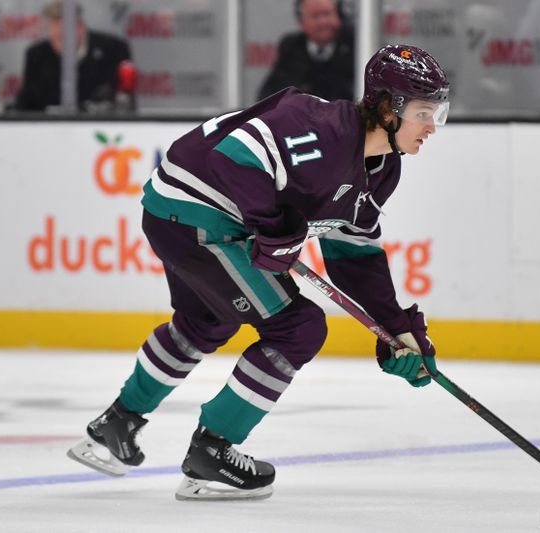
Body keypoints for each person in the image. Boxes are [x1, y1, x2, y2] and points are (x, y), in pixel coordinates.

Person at [67, 44, 450, 501]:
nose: (432, 127)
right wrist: (271, 229)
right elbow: (236, 155)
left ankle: (116, 424)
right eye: (425, 113)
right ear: (388, 107)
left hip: (180, 214)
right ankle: (212, 452)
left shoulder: (383, 168)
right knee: (298, 328)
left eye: (438, 113)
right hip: (195, 216)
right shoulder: (319, 128)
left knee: (206, 322)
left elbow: (354, 253)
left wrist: (395, 328)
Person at [13, 1, 134, 112]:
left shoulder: (113, 50)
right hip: (51, 130)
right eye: (54, 38)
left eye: (62, 37)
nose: (58, 45)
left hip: (99, 127)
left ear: (81, 29)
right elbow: (26, 103)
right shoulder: (37, 55)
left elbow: (123, 101)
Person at [257, 0, 354, 101]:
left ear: (339, 15)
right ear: (301, 22)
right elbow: (270, 93)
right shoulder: (291, 47)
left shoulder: (355, 45)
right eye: (315, 16)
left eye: (327, 14)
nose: (323, 22)